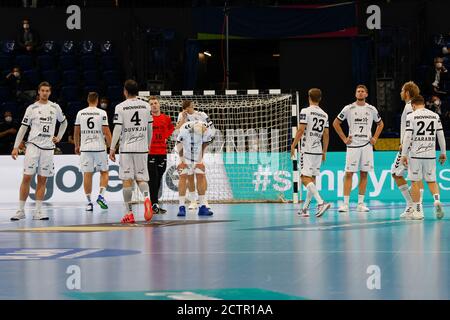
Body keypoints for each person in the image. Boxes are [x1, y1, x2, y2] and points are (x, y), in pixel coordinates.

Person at [10, 81, 67, 221]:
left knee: (42, 180)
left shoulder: (55, 107)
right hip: (33, 147)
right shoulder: (32, 108)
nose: (45, 93)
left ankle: (38, 211)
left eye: (47, 90)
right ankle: (20, 211)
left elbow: (64, 122)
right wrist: (16, 147)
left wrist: (59, 137)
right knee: (27, 177)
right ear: (38, 92)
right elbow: (23, 128)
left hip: (48, 148)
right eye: (43, 90)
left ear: (50, 92)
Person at [333, 85, 384, 212]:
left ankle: (360, 204)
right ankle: (345, 204)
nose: (360, 93)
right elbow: (335, 123)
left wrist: (375, 138)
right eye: (358, 91)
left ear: (366, 94)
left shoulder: (371, 109)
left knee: (364, 173)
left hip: (367, 145)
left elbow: (380, 124)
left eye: (362, 91)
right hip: (353, 146)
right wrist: (344, 139)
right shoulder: (349, 108)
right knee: (349, 173)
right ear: (355, 94)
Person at [109, 79, 153, 224]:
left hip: (127, 148)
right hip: (142, 147)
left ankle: (129, 213)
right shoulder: (146, 106)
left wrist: (112, 147)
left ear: (125, 91)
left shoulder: (120, 107)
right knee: (141, 178)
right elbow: (150, 128)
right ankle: (147, 198)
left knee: (127, 180)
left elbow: (117, 128)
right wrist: (148, 144)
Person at [401, 95, 446, 220]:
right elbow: (440, 136)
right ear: (424, 104)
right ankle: (436, 200)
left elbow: (408, 137)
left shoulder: (411, 116)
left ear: (413, 105)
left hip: (416, 154)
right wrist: (443, 153)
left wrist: (404, 155)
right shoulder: (435, 116)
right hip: (430, 154)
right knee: (432, 181)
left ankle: (418, 211)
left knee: (415, 182)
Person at [290, 88, 331, 218]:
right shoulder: (325, 114)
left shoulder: (305, 111)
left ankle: (321, 202)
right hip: (318, 150)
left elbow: (301, 129)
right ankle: (305, 209)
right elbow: (326, 134)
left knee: (304, 178)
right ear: (320, 99)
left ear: (309, 97)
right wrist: (324, 151)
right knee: (312, 179)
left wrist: (293, 145)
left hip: (306, 150)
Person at [390, 81, 424, 218]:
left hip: (408, 148)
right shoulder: (414, 107)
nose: (400, 92)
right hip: (416, 147)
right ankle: (415, 207)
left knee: (395, 173)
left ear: (407, 93)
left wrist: (405, 145)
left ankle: (412, 206)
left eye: (402, 90)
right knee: (416, 177)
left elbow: (411, 130)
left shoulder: (410, 107)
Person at [74, 92, 112, 212]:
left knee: (87, 174)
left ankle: (89, 203)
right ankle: (101, 196)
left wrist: (76, 145)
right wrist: (112, 148)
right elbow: (106, 132)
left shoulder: (80, 112)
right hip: (99, 147)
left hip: (85, 148)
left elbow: (76, 132)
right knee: (104, 172)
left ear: (87, 100)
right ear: (97, 100)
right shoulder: (102, 112)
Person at [175, 100, 212, 210]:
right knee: (189, 175)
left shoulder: (201, 115)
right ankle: (192, 201)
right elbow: (177, 131)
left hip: (199, 148)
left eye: (192, 106)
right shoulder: (181, 115)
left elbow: (211, 128)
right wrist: (183, 119)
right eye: (190, 107)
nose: (192, 108)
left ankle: (204, 201)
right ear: (186, 108)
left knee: (201, 174)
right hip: (186, 148)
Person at [148, 96, 174, 214]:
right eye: (152, 103)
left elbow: (171, 131)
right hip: (150, 152)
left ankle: (155, 203)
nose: (154, 105)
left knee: (158, 178)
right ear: (149, 106)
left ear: (159, 104)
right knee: (153, 178)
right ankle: (154, 204)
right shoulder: (147, 118)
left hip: (162, 152)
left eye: (155, 103)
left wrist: (182, 122)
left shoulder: (166, 118)